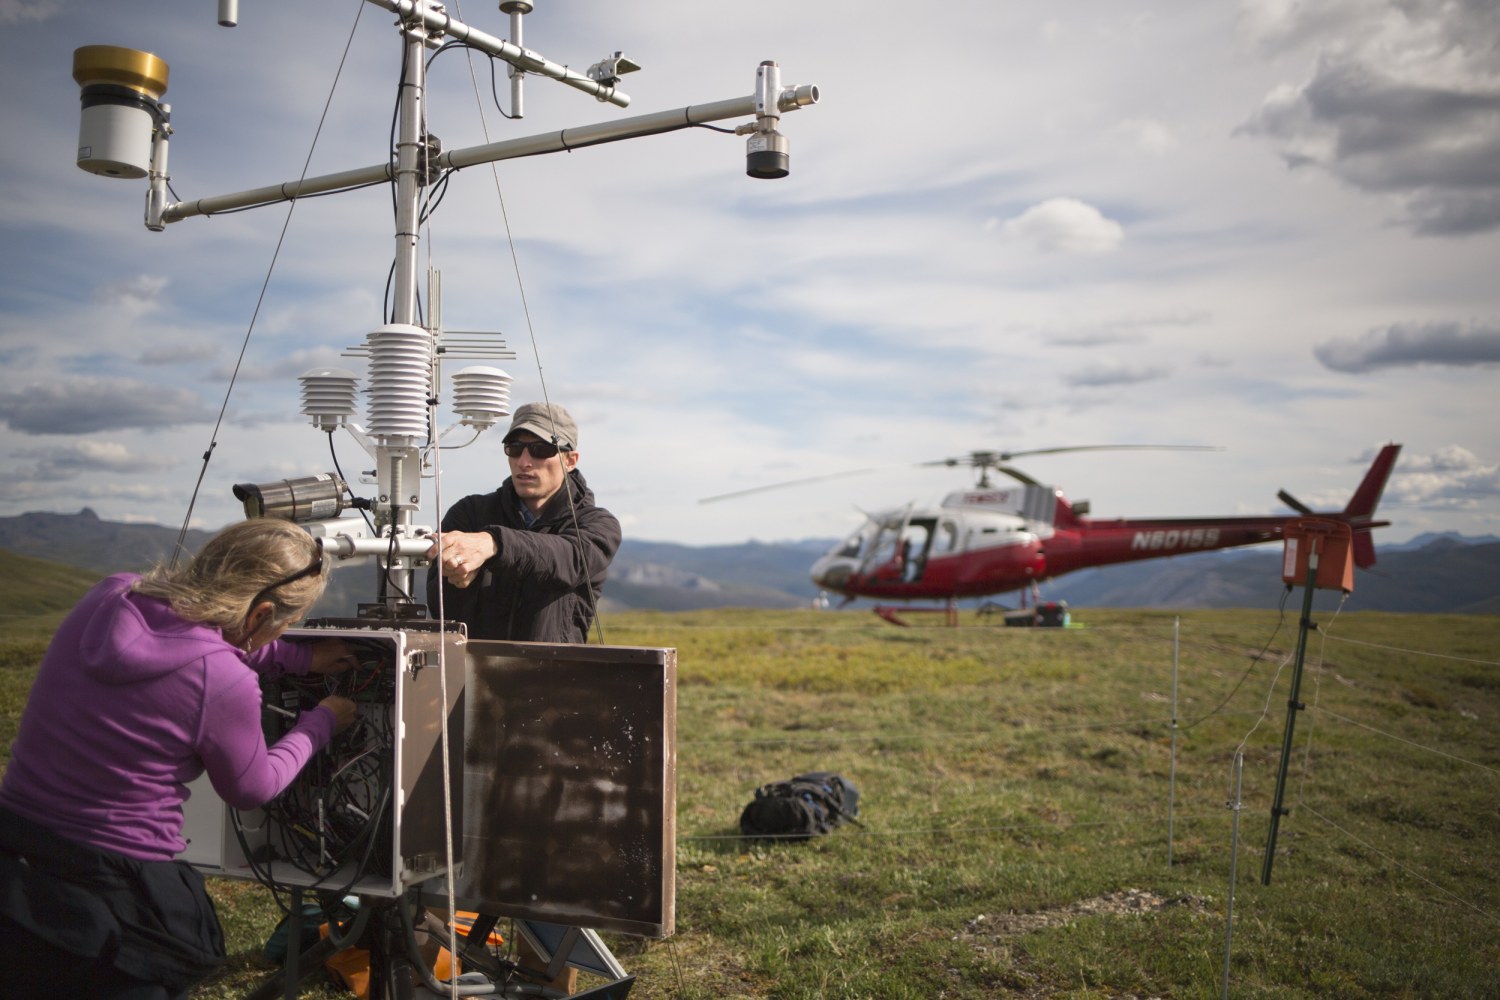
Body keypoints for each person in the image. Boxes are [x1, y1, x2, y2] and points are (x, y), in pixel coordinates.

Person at [0, 518, 359, 1000]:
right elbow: (252, 787)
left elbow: (189, 636)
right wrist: (323, 722)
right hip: (114, 883)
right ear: (261, 614)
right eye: (283, 626)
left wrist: (295, 659)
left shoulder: (112, 594)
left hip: (17, 852)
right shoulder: (224, 679)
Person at [425, 401, 621, 643]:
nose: (524, 461)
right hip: (471, 665)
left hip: (551, 667)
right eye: (515, 448)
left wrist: (493, 544)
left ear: (570, 460)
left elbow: (568, 559)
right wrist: (455, 575)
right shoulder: (470, 512)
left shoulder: (598, 525)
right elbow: (439, 603)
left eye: (541, 449)